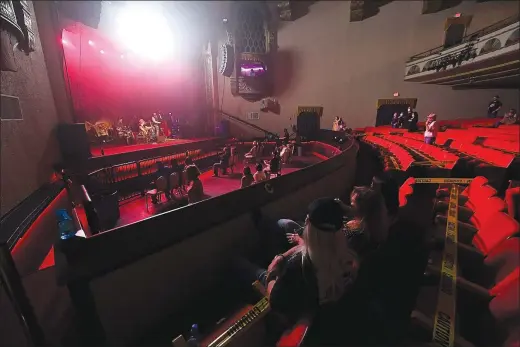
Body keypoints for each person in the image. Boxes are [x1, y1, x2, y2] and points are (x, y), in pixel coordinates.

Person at [236, 198, 358, 323]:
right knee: (273, 232)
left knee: (238, 264)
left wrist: (271, 274)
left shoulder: (299, 268)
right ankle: (261, 222)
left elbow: (275, 301)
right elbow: (308, 246)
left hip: (288, 304)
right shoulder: (348, 256)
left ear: (310, 227)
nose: (305, 221)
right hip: (303, 298)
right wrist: (282, 257)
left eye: (307, 219)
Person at [342, 186, 389, 259]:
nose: (350, 207)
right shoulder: (378, 232)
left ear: (362, 211)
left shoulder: (356, 233)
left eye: (353, 205)